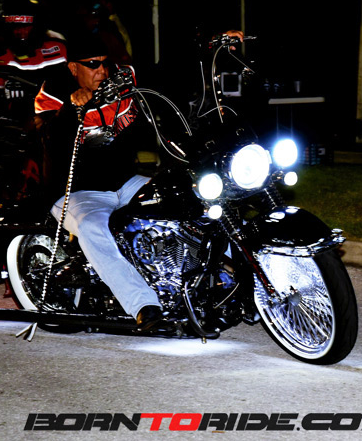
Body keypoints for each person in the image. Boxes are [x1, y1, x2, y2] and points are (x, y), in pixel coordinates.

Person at [35, 30, 244, 330]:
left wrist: (210, 44)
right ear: (73, 67)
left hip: (124, 181)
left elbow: (165, 69)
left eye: (105, 62)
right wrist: (71, 109)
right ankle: (143, 305)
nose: (101, 71)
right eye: (93, 64)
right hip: (75, 192)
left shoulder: (122, 78)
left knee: (192, 199)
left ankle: (233, 278)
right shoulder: (55, 89)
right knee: (93, 228)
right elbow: (44, 134)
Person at [0, 0, 68, 261]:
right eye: (15, 27)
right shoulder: (0, 60)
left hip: (59, 122)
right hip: (16, 127)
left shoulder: (58, 49)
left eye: (25, 26)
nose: (20, 32)